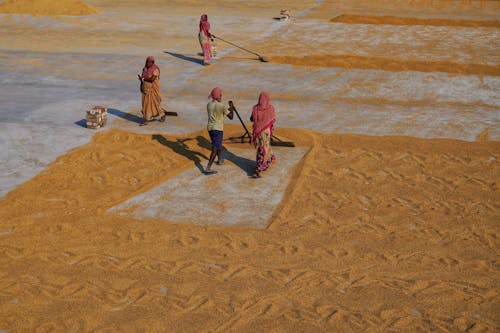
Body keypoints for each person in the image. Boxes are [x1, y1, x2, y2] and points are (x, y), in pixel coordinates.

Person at [205, 87, 234, 174]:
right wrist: (231, 108)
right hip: (218, 129)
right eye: (220, 95)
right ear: (219, 96)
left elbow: (219, 111)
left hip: (210, 128)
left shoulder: (209, 105)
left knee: (218, 144)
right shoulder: (221, 106)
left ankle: (220, 159)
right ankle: (208, 168)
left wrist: (228, 109)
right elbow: (231, 117)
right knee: (215, 149)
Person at [250, 92, 276, 177]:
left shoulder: (255, 108)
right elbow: (272, 121)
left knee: (261, 148)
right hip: (266, 132)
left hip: (258, 132)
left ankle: (264, 162)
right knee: (264, 148)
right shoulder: (271, 108)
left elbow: (251, 119)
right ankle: (259, 168)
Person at [138, 56, 165, 126]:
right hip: (145, 89)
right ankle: (146, 119)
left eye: (149, 62)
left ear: (153, 63)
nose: (147, 63)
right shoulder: (144, 69)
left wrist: (144, 79)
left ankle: (162, 114)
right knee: (145, 104)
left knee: (155, 103)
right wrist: (141, 80)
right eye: (147, 62)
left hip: (153, 89)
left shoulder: (155, 69)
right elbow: (143, 76)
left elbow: (152, 79)